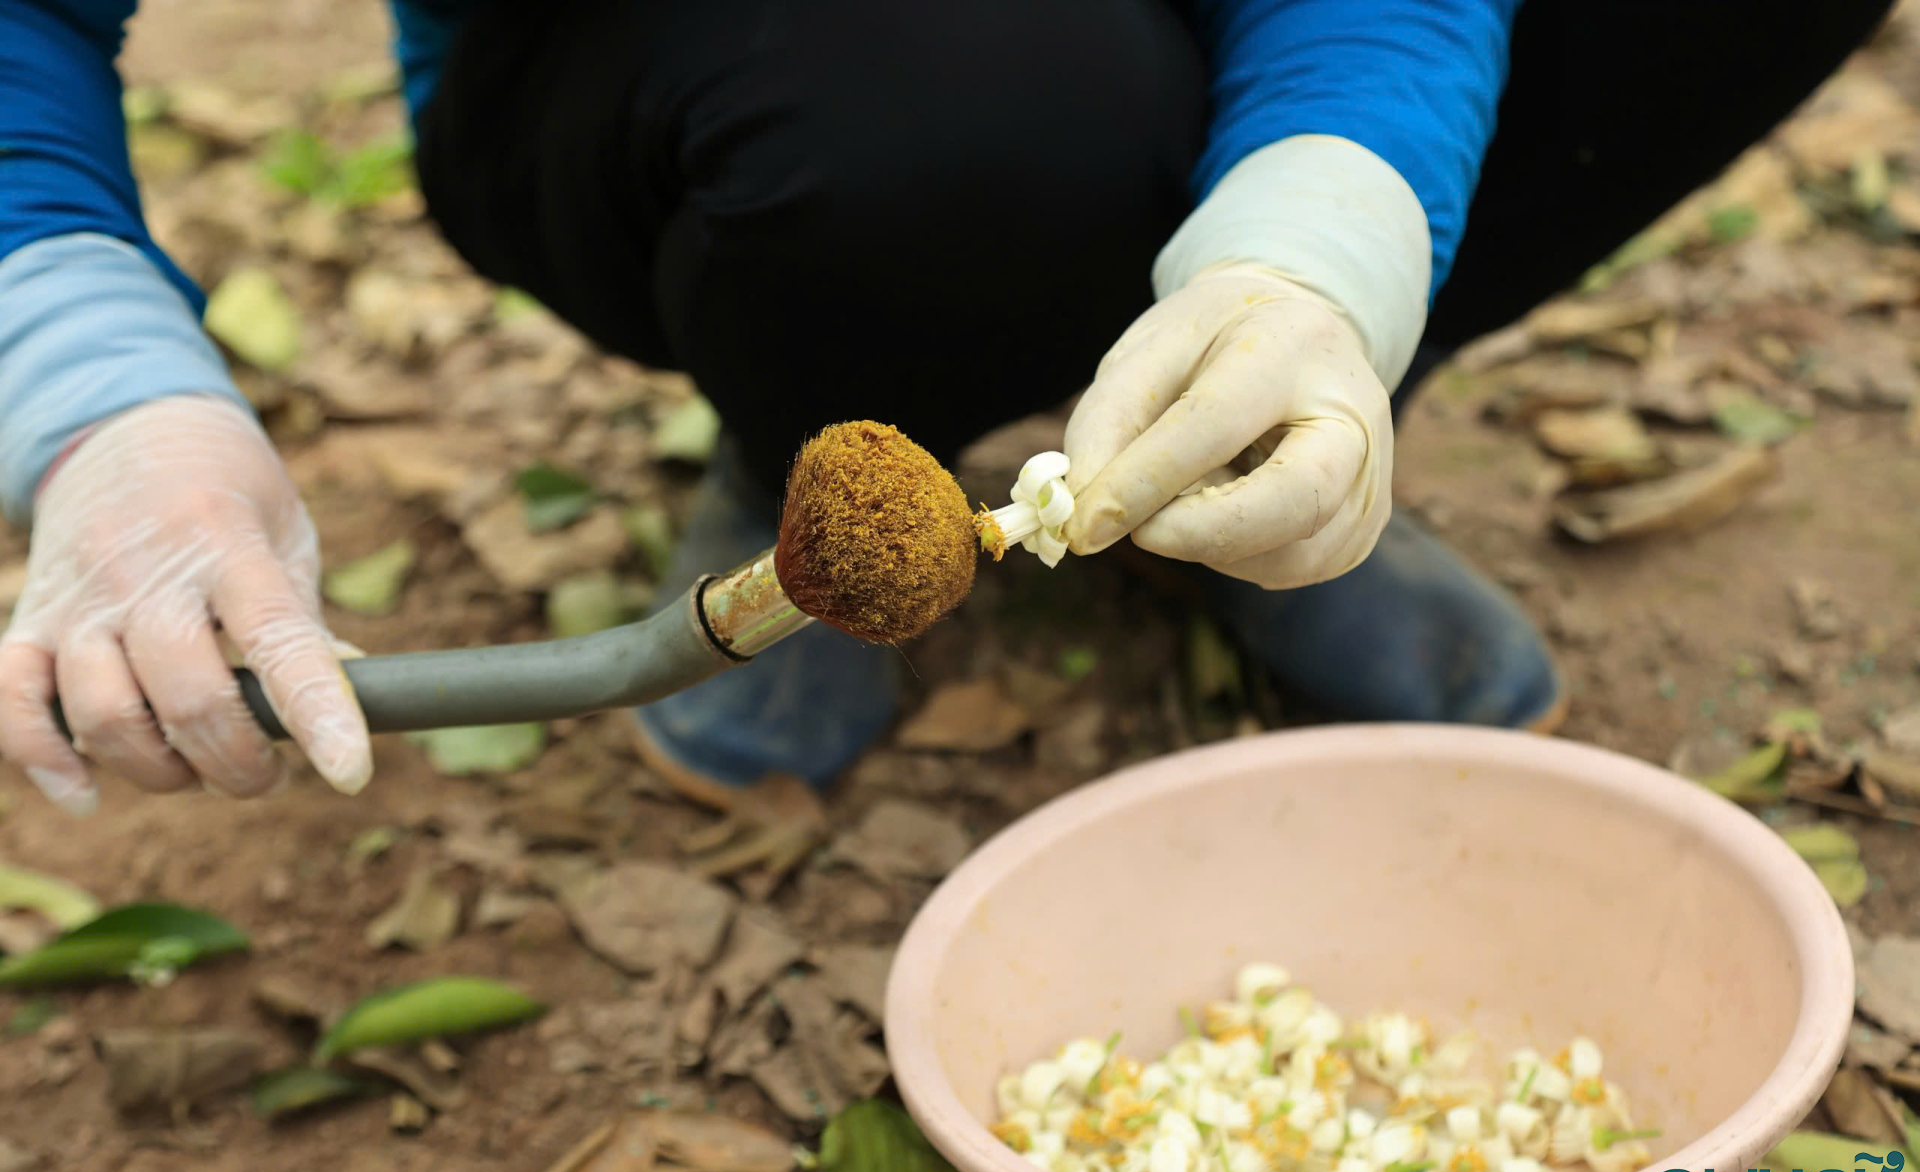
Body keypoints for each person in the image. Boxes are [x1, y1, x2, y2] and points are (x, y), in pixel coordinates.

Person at [0, 0, 1895, 815]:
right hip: (711, 63)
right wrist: (107, 408)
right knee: (969, 96)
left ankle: (1244, 425)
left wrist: (1322, 250)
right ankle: (809, 409)